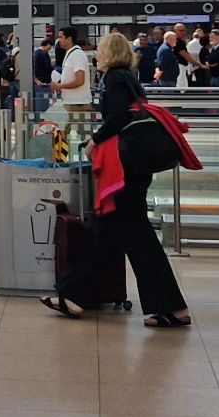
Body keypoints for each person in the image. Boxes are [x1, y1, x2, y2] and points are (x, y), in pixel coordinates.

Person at [44, 31, 192, 329]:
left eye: (100, 51)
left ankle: (169, 307)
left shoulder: (113, 79)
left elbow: (119, 117)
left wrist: (95, 140)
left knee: (130, 237)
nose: (97, 56)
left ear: (109, 54)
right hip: (137, 167)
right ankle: (75, 296)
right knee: (107, 235)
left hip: (124, 170)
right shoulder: (130, 78)